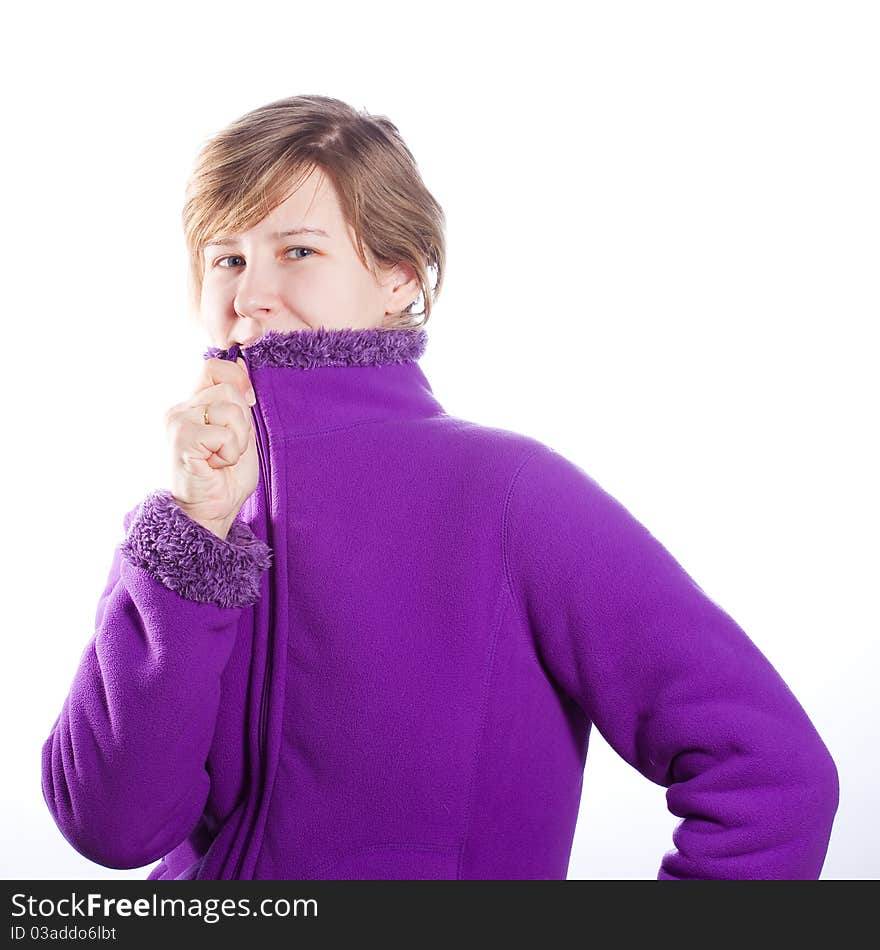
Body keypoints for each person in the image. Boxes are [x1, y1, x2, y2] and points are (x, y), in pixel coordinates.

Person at [40, 94, 839, 880]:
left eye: (298, 251)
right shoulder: (193, 525)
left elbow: (774, 776)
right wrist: (194, 528)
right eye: (228, 258)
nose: (249, 295)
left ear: (397, 277)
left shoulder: (509, 495)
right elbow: (110, 827)